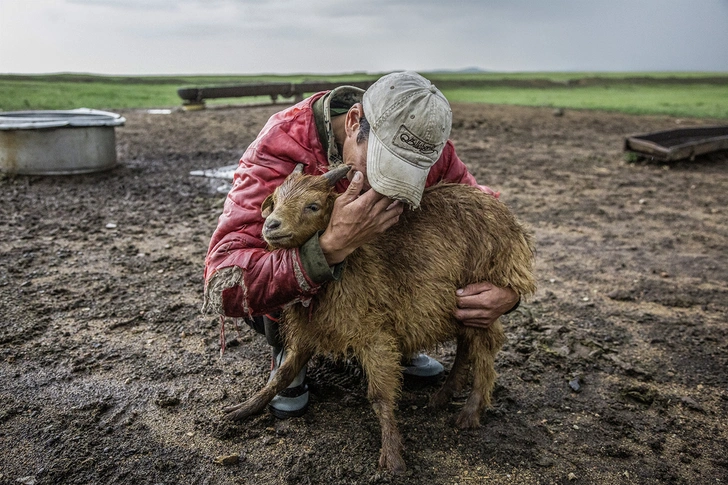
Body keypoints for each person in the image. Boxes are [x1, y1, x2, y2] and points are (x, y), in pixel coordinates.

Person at [202, 71, 520, 418]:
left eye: (406, 174)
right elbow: (225, 283)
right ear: (354, 121)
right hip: (300, 305)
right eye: (382, 165)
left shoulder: (427, 145)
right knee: (280, 252)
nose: (387, 186)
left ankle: (399, 343)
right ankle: (289, 348)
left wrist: (508, 293)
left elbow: (480, 210)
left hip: (378, 291)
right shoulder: (281, 146)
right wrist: (328, 247)